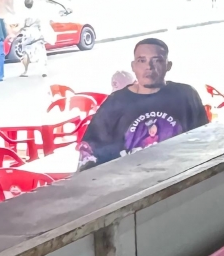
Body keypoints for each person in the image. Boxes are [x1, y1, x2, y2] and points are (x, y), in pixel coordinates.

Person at [77, 38, 207, 168]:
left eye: (157, 60)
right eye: (142, 60)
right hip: (130, 181)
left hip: (179, 176)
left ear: (168, 66)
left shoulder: (186, 95)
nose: (149, 67)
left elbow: (204, 141)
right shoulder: (116, 103)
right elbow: (90, 154)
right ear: (133, 66)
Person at [18, 0, 47, 77]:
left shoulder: (23, 14)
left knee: (26, 52)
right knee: (41, 51)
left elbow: (20, 26)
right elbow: (42, 24)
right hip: (37, 33)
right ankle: (44, 70)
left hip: (27, 34)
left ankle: (26, 71)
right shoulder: (37, 13)